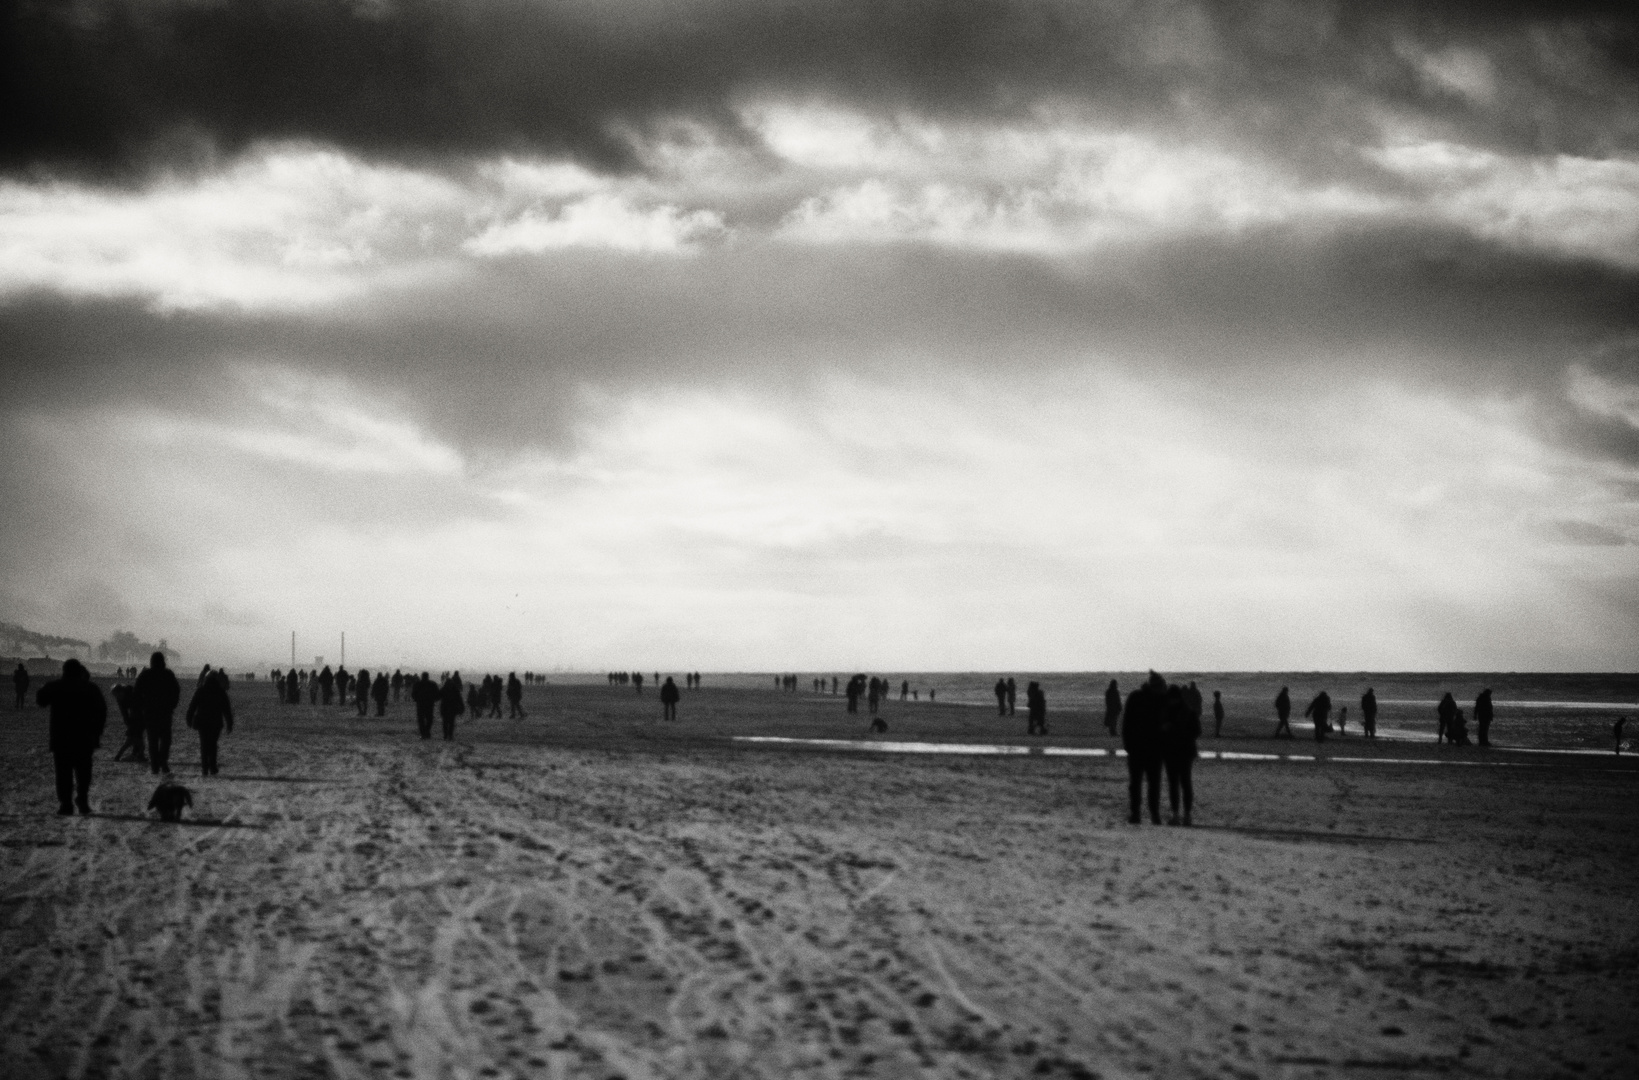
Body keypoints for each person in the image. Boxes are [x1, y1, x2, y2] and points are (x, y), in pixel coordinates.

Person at [36, 659, 106, 815]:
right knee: (83, 772)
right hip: (85, 738)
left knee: (63, 773)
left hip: (61, 738)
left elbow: (41, 700)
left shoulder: (56, 686)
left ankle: (66, 804)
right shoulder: (90, 688)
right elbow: (102, 711)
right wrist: (97, 733)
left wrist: (44, 687)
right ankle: (82, 799)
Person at [1123, 673, 1164, 824]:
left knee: (1136, 783)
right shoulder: (1158, 700)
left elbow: (1127, 723)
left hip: (1138, 748)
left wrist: (1128, 745)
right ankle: (1153, 814)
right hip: (1150, 749)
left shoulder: (1135, 697)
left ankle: (1137, 814)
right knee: (1152, 783)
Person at [1160, 682, 1201, 825]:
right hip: (1178, 752)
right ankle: (1179, 814)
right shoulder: (1185, 711)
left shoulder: (1186, 712)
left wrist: (1173, 729)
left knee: (1182, 783)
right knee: (1179, 784)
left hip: (1181, 752)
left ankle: (1184, 815)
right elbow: (1196, 732)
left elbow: (1195, 732)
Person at [134, 651, 181, 775]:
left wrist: (141, 707)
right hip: (165, 712)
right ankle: (163, 761)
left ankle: (155, 766)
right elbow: (176, 691)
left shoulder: (145, 675)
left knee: (152, 740)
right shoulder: (168, 674)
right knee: (166, 739)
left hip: (150, 712)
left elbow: (137, 693)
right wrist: (172, 705)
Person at [185, 667, 234, 777]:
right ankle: (212, 767)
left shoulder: (200, 690)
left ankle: (204, 768)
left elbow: (192, 706)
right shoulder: (221, 692)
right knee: (212, 744)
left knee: (204, 744)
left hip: (202, 722)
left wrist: (189, 718)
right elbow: (226, 710)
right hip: (215, 722)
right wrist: (229, 723)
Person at [111, 682, 146, 762]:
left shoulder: (132, 693)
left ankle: (137, 755)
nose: (118, 697)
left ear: (122, 691)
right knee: (137, 741)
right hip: (135, 716)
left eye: (119, 694)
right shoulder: (119, 699)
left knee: (138, 737)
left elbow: (139, 707)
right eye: (116, 695)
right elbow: (124, 713)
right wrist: (129, 725)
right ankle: (137, 755)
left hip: (142, 712)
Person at [411, 672, 438, 740]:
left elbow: (413, 694)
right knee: (429, 719)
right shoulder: (432, 684)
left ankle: (423, 733)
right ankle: (427, 731)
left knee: (421, 720)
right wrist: (434, 699)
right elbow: (437, 693)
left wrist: (416, 699)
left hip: (420, 703)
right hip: (430, 703)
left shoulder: (417, 684)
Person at [439, 672, 465, 740]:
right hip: (453, 708)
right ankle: (450, 735)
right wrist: (462, 707)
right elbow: (459, 699)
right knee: (451, 723)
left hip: (444, 708)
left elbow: (438, 696)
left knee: (445, 722)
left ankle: (445, 735)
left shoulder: (444, 689)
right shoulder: (455, 689)